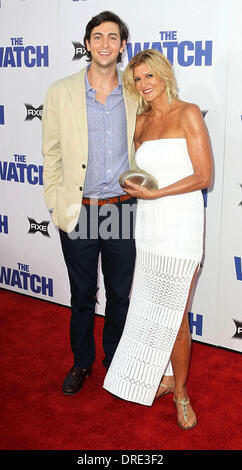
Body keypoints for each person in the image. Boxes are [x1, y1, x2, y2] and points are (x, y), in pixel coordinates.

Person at [103, 49, 213, 430]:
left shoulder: (188, 113)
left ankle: (181, 393)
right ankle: (163, 376)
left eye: (149, 76)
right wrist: (135, 186)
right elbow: (138, 170)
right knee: (150, 307)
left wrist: (157, 193)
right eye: (137, 79)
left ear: (164, 75)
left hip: (181, 226)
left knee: (177, 315)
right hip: (149, 227)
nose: (143, 85)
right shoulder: (141, 122)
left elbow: (203, 177)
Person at [42, 11, 138, 396]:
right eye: (97, 37)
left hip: (120, 208)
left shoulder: (135, 93)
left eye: (112, 37)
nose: (104, 44)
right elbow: (50, 154)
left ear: (122, 45)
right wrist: (54, 203)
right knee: (82, 294)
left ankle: (114, 360)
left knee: (119, 293)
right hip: (78, 211)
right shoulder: (60, 91)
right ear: (87, 44)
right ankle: (82, 362)